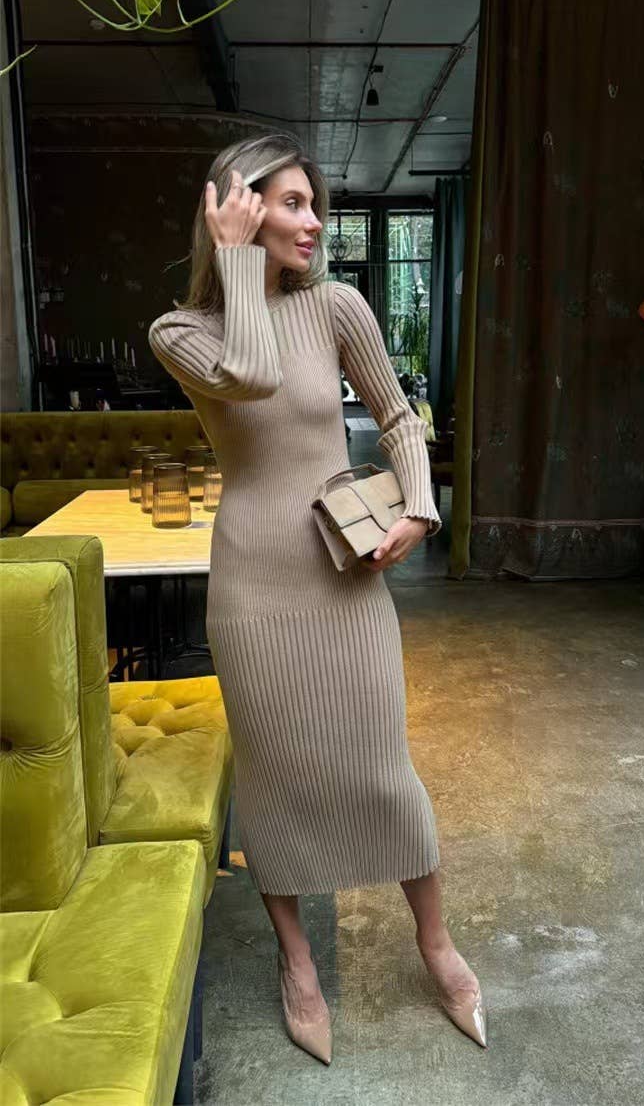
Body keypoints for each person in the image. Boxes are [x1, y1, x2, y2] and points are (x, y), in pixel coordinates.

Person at [148, 132, 487, 1064]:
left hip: (344, 576)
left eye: (314, 205)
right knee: (276, 777)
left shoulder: (337, 305)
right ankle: (297, 961)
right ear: (236, 209)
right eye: (291, 203)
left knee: (384, 768)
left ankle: (436, 943)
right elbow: (251, 376)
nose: (313, 223)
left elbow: (396, 414)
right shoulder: (180, 332)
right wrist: (234, 267)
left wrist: (418, 505)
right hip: (253, 588)